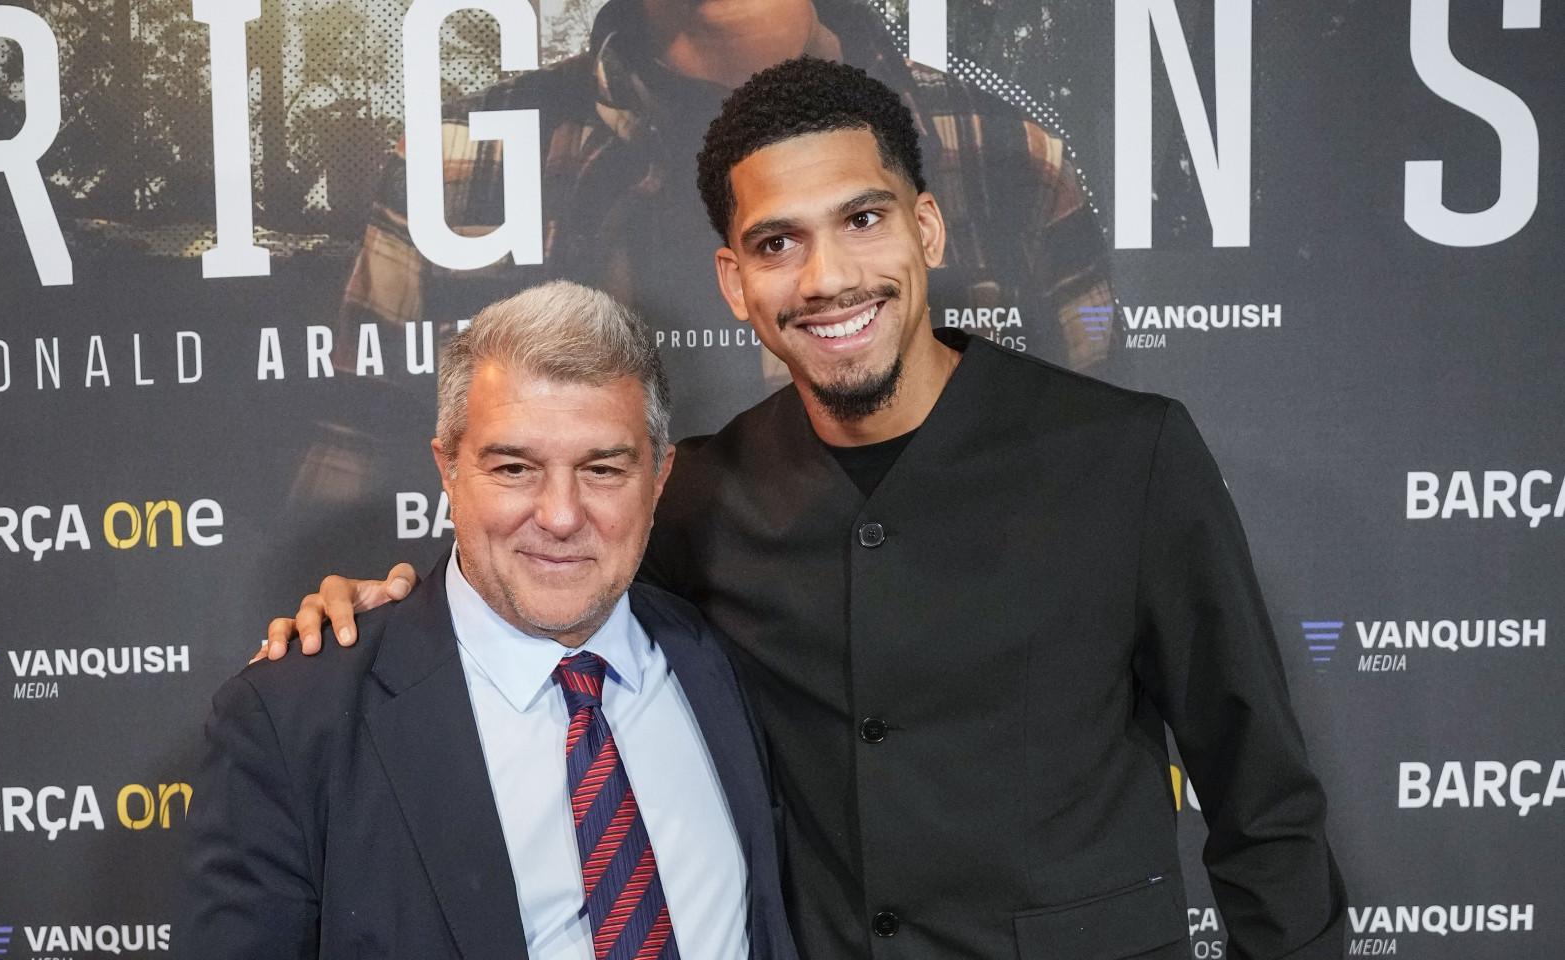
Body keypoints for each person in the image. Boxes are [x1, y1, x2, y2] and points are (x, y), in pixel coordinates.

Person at [266, 59, 1346, 959]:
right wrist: (384, 610)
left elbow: (1263, 806)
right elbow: (543, 586)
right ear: (734, 282)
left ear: (926, 229)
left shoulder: (1124, 456)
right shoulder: (695, 493)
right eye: (777, 244)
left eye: (862, 219)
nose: (827, 278)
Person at [177, 282, 797, 959]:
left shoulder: (717, 653)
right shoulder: (293, 720)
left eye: (602, 469)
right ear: (448, 469)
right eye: (514, 468)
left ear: (659, 478)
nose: (560, 516)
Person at [296, 0, 1114, 504]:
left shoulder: (1005, 153)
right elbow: (352, 478)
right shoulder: (460, 159)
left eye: (864, 220)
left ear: (923, 221)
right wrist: (349, 598)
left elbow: (1105, 462)